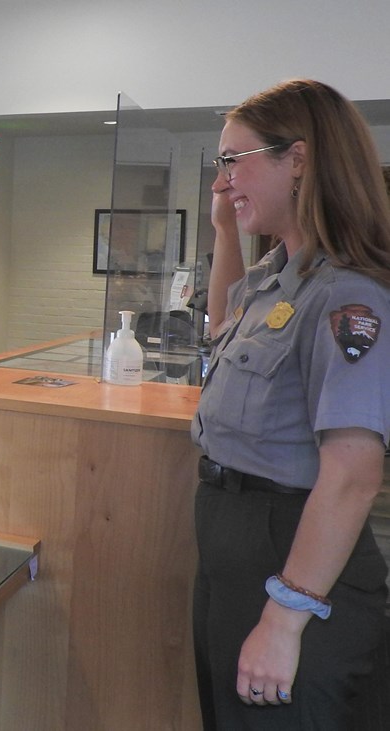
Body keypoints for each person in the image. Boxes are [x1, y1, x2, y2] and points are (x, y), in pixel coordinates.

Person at [192, 78, 390, 729]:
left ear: (297, 160)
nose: (222, 180)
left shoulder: (346, 295)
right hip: (234, 553)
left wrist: (284, 616)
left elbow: (354, 474)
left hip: (290, 558)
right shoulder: (279, 277)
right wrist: (226, 228)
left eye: (233, 160)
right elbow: (224, 329)